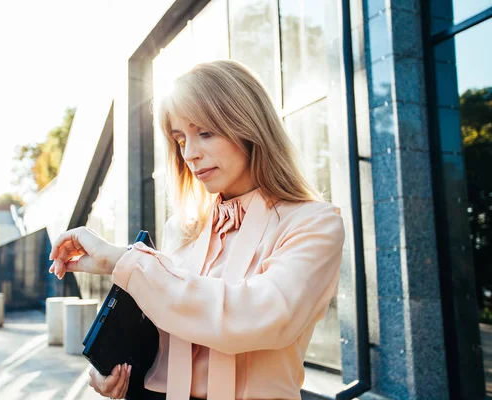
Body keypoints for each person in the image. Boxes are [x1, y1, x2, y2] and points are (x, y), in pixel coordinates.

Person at [49, 60, 345, 400]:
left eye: (205, 132)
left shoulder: (315, 223)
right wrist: (111, 367)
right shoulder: (183, 229)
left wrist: (121, 261)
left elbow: (262, 316)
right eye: (179, 140)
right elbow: (160, 327)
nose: (190, 154)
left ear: (249, 126)